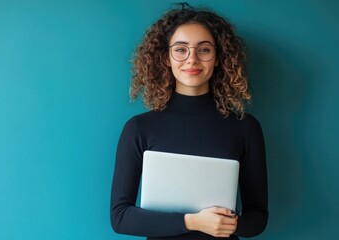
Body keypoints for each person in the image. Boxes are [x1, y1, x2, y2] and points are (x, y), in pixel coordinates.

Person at [110, 2, 268, 240]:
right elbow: (120, 217)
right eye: (181, 49)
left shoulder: (245, 127)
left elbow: (258, 218)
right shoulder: (139, 128)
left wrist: (231, 225)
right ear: (166, 58)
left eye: (204, 50)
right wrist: (192, 221)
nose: (192, 59)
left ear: (217, 58)